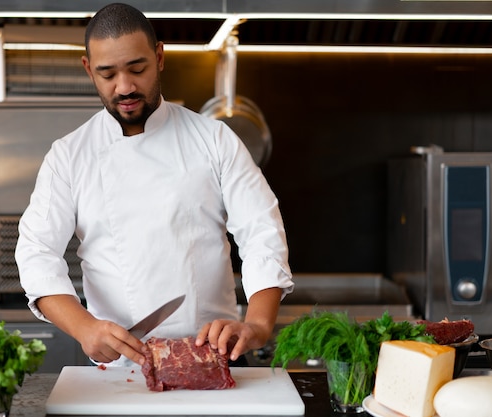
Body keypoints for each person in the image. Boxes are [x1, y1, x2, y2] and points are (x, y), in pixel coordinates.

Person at [15, 2, 293, 367]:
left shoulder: (214, 139)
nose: (125, 86)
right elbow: (37, 253)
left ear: (159, 56)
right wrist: (84, 327)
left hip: (214, 359)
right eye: (108, 74)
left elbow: (261, 233)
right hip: (120, 368)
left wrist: (257, 324)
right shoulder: (69, 156)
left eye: (137, 68)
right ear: (88, 70)